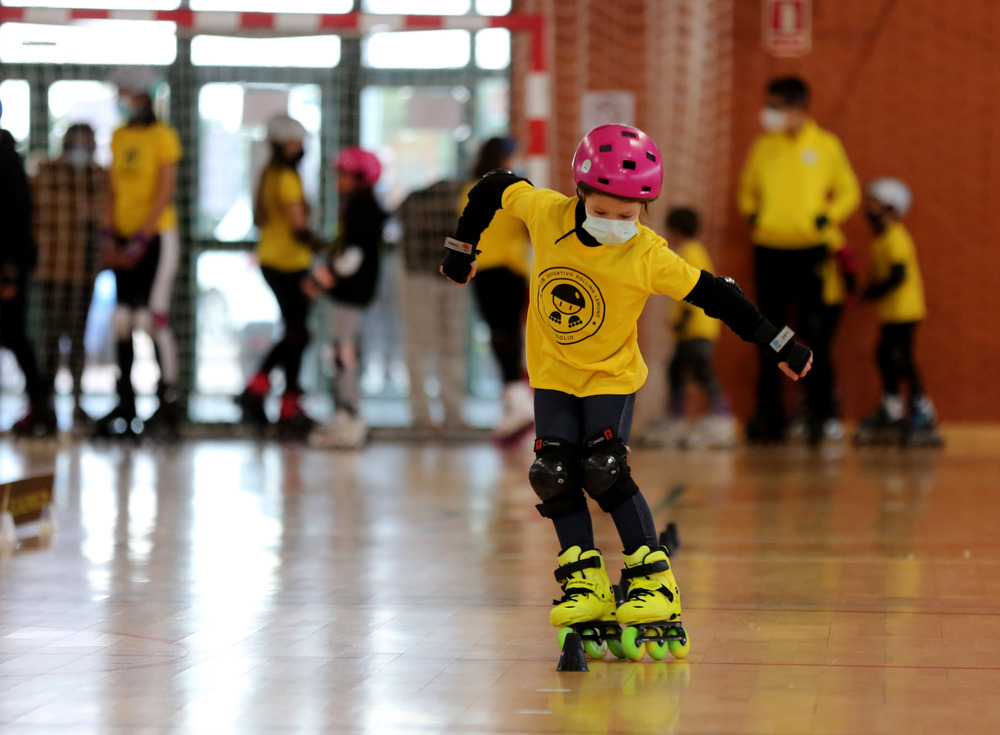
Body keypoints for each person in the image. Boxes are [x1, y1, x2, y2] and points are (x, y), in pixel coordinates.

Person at [441, 123, 813, 660]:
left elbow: (717, 295)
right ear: (581, 193)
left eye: (629, 215)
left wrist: (779, 342)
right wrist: (461, 247)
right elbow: (494, 185)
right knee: (554, 475)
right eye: (605, 210)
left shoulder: (646, 253)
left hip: (610, 377)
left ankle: (652, 580)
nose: (617, 224)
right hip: (551, 374)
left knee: (604, 469)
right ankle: (585, 580)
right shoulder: (546, 213)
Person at [737, 76, 860, 444]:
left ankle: (821, 415)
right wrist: (754, 215)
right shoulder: (763, 147)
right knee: (769, 335)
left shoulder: (826, 146)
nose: (769, 113)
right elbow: (746, 192)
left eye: (776, 106)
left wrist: (828, 215)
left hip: (810, 253)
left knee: (815, 334)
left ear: (799, 108)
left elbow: (849, 190)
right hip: (770, 251)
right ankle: (770, 417)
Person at [98, 66, 183, 440]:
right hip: (123, 238)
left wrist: (139, 243)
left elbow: (164, 192)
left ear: (141, 96)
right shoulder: (118, 136)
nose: (121, 99)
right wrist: (109, 238)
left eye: (124, 93)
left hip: (156, 240)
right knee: (121, 320)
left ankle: (168, 403)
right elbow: (112, 191)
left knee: (152, 319)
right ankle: (125, 402)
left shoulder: (162, 137)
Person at [237, 114, 320, 438]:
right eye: (298, 143)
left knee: (296, 333)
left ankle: (278, 397)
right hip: (289, 263)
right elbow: (299, 227)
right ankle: (267, 393)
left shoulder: (268, 174)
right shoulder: (287, 177)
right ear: (285, 145)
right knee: (297, 333)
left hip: (273, 259)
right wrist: (323, 244)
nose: (302, 149)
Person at [308, 147, 387, 450]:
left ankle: (350, 414)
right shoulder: (359, 204)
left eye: (343, 174)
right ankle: (347, 410)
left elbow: (352, 256)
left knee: (342, 348)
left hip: (353, 290)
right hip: (352, 289)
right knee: (341, 347)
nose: (338, 180)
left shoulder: (362, 207)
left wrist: (321, 278)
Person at [31, 123, 107, 433]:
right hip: (50, 271)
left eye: (86, 144)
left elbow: (103, 217)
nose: (81, 150)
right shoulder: (45, 174)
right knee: (50, 341)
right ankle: (45, 406)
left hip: (82, 273)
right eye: (76, 143)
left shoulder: (98, 178)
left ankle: (77, 405)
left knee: (76, 341)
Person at [853, 178, 941, 447]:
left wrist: (870, 293)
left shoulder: (896, 237)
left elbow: (898, 276)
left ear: (892, 208)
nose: (870, 209)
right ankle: (892, 408)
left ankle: (923, 409)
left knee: (901, 359)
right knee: (884, 356)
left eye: (876, 204)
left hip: (905, 310)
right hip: (892, 312)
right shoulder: (881, 239)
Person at [464, 137, 533, 444]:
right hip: (508, 270)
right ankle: (517, 401)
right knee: (508, 335)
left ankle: (514, 400)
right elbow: (530, 228)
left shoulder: (470, 189)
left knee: (498, 334)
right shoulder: (515, 190)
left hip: (483, 271)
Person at [396, 177, 471, 433]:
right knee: (451, 347)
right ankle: (454, 415)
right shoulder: (463, 199)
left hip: (416, 276)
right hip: (451, 278)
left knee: (418, 347)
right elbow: (460, 243)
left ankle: (421, 416)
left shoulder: (412, 201)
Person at [657, 206, 735, 449]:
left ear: (677, 230)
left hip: (696, 327)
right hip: (697, 327)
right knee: (677, 370)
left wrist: (684, 319)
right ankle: (677, 415)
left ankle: (720, 415)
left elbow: (695, 287)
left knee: (699, 370)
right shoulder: (693, 250)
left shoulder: (690, 252)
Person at [0, 99, 52, 437]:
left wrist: (9, 272)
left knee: (14, 336)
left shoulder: (5, 154)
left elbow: (16, 217)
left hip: (8, 264)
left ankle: (41, 408)